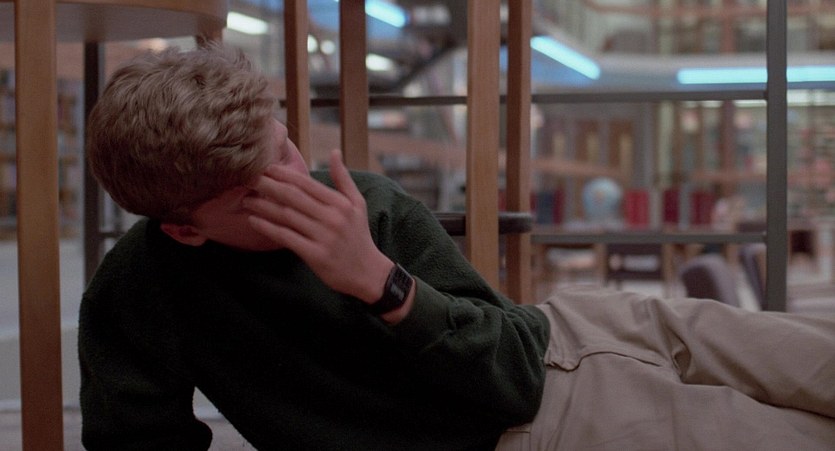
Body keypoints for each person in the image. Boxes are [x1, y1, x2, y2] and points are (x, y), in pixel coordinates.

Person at [79, 43, 835, 451]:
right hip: (547, 420)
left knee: (811, 355)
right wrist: (377, 286)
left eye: (286, 148)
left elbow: (512, 349)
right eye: (260, 190)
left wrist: (386, 274)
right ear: (185, 227)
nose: (298, 182)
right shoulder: (137, 288)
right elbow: (517, 395)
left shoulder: (370, 202)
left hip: (574, 328)